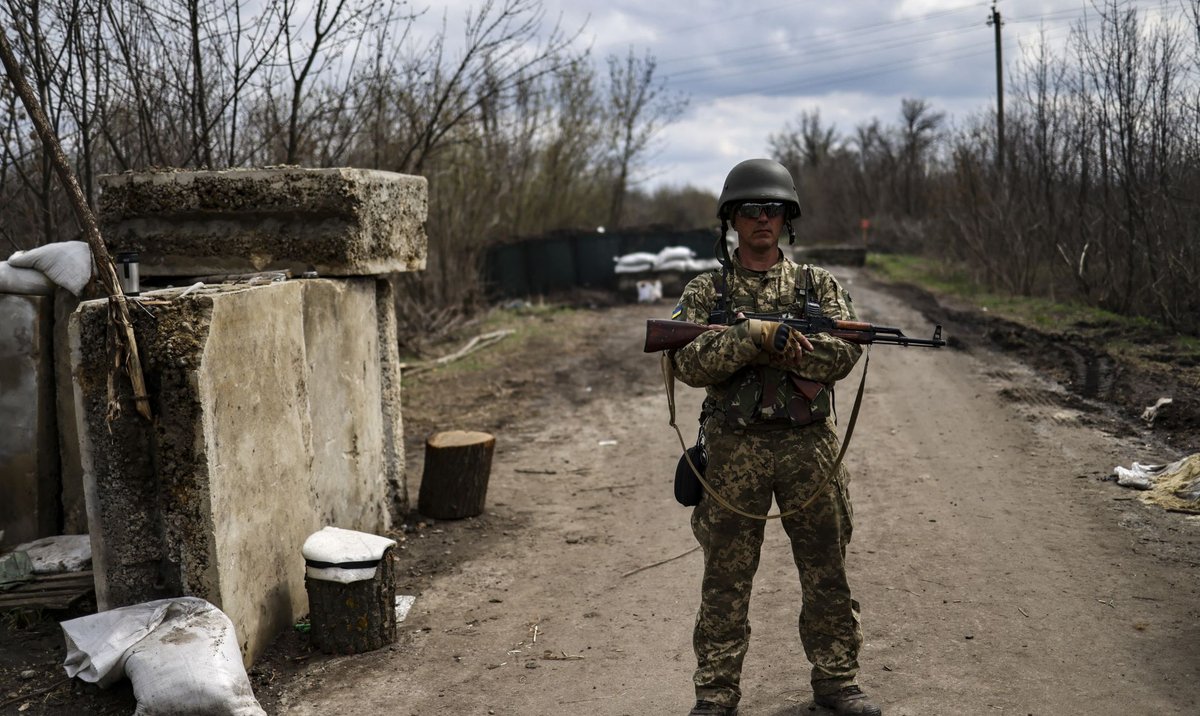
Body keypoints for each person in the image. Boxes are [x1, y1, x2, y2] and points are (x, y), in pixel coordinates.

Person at [669, 158, 881, 716]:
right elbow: (686, 361)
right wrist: (752, 338)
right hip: (735, 448)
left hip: (806, 446)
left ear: (788, 219)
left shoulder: (817, 285)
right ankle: (715, 693)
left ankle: (837, 683)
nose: (763, 219)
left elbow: (846, 348)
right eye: (751, 210)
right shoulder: (707, 290)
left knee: (826, 567)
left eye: (774, 210)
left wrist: (794, 349)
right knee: (725, 576)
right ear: (732, 220)